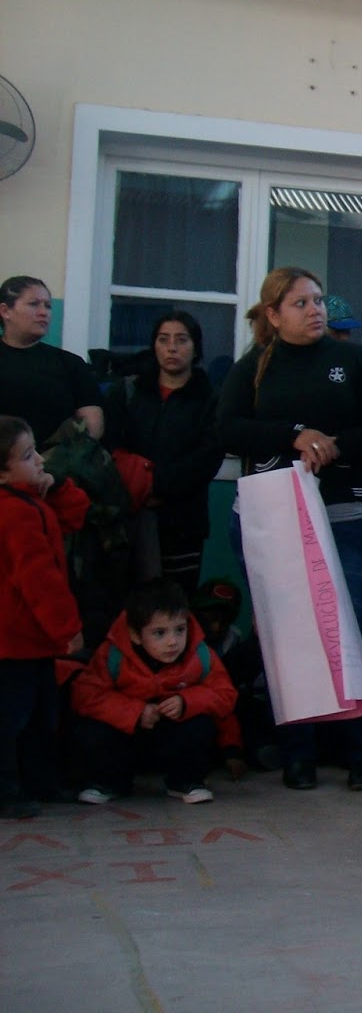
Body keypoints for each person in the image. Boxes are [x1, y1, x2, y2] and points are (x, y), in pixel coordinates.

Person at [216, 267, 362, 793]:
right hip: (275, 516)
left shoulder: (355, 360)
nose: (315, 310)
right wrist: (296, 436)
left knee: (352, 629)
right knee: (287, 635)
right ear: (273, 315)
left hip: (347, 512)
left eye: (318, 300)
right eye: (301, 303)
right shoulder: (253, 367)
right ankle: (299, 755)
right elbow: (227, 428)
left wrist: (332, 447)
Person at [71, 579, 238, 806]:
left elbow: (225, 695)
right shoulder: (113, 654)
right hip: (128, 737)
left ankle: (185, 781)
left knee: (201, 725)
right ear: (135, 635)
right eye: (159, 633)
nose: (172, 642)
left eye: (180, 630)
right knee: (92, 730)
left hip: (173, 738)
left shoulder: (200, 654)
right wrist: (134, 712)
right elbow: (85, 694)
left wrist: (187, 702)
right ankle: (109, 782)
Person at [0, 416, 88, 818]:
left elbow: (75, 514)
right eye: (27, 456)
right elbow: (39, 580)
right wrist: (67, 629)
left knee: (39, 714)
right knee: (12, 719)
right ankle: (8, 790)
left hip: (31, 641)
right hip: (14, 641)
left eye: (36, 450)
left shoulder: (30, 501)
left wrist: (56, 487)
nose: (39, 459)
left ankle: (41, 781)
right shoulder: (14, 513)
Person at [103, 311, 224, 595]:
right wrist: (137, 484)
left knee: (172, 603)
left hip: (182, 523)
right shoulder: (128, 391)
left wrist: (155, 484)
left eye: (181, 340)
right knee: (124, 602)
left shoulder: (211, 399)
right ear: (153, 345)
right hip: (126, 517)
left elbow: (207, 459)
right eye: (163, 339)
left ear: (195, 348)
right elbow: (108, 447)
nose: (172, 348)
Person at [0, 275, 105, 443]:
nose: (44, 312)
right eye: (33, 304)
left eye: (48, 306)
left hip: (59, 457)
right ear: (5, 311)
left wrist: (51, 457)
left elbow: (93, 427)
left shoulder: (70, 364)